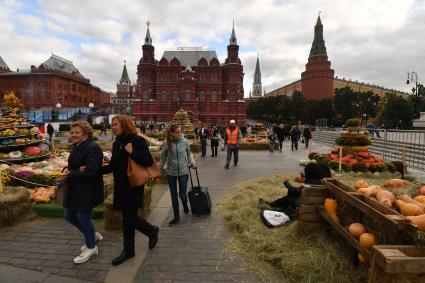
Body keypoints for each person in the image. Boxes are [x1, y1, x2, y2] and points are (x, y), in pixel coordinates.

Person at [102, 115, 159, 266]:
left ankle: (151, 231)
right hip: (121, 186)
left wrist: (132, 152)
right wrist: (94, 170)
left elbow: (147, 160)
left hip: (133, 185)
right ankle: (129, 249)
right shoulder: (117, 143)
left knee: (130, 218)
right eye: (112, 125)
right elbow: (113, 165)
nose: (112, 127)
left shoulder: (136, 140)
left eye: (115, 124)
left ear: (125, 124)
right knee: (127, 219)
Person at [63, 121, 104, 264]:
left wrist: (71, 173)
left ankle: (91, 247)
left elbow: (92, 171)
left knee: (83, 216)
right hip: (77, 188)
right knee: (69, 215)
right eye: (72, 132)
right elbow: (78, 167)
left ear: (85, 134)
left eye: (77, 132)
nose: (73, 135)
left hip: (88, 190)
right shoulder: (79, 146)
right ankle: (91, 235)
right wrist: (71, 171)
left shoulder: (92, 147)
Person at [159, 124, 196, 225]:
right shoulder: (167, 143)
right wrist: (159, 169)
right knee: (173, 195)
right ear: (171, 133)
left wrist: (192, 162)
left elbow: (189, 153)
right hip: (171, 172)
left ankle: (184, 204)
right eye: (177, 132)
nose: (180, 133)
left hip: (184, 171)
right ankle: (176, 216)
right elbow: (163, 157)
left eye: (180, 131)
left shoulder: (184, 142)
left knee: (182, 194)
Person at [259, 162, 331, 211]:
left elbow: (296, 192)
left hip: (306, 206)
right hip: (317, 203)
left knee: (288, 197)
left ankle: (270, 205)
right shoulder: (325, 181)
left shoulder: (311, 184)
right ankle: (275, 205)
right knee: (290, 193)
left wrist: (286, 183)